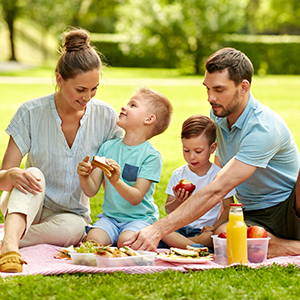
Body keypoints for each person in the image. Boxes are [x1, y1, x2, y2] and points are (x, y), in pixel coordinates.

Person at [125, 47, 300, 258]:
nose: (210, 97)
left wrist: (157, 229)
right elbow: (218, 166)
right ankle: (291, 247)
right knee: (223, 237)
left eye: (219, 89)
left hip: (290, 208)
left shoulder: (262, 128)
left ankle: (275, 243)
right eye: (207, 88)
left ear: (243, 87)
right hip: (252, 214)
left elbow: (219, 187)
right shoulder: (218, 114)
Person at [0, 27, 122, 273]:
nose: (88, 96)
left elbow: (117, 169)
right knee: (32, 174)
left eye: (94, 88)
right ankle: (10, 245)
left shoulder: (106, 116)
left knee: (75, 230)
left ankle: (8, 241)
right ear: (59, 79)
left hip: (69, 216)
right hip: (25, 204)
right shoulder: (31, 113)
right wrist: (12, 175)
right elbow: (3, 178)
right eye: (80, 89)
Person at [77, 86, 173, 248]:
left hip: (139, 219)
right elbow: (91, 191)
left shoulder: (151, 156)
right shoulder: (108, 148)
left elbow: (136, 198)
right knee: (93, 242)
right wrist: (84, 176)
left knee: (126, 243)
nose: (124, 107)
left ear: (149, 119)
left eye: (133, 105)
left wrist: (116, 181)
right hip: (110, 219)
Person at [160, 114, 235, 249]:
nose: (191, 157)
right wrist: (178, 200)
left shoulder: (219, 175)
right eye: (186, 150)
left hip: (204, 230)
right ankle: (196, 245)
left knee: (219, 235)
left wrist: (213, 228)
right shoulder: (179, 174)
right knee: (161, 229)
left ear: (212, 148)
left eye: (198, 151)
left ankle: (187, 244)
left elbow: (229, 208)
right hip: (179, 230)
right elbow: (168, 209)